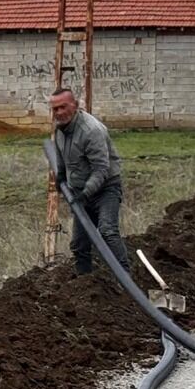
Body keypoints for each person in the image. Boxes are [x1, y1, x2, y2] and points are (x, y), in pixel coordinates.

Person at [49, 87, 130, 277]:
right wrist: (61, 176)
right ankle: (85, 284)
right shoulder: (61, 128)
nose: (59, 113)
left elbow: (101, 169)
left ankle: (125, 279)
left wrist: (84, 194)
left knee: (107, 231)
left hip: (105, 189)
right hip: (81, 193)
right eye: (55, 109)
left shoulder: (91, 131)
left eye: (63, 107)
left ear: (75, 106)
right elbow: (61, 155)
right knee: (79, 245)